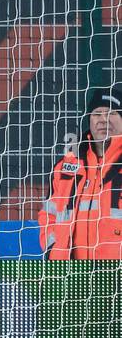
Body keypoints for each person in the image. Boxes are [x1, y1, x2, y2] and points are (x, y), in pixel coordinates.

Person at [38, 86, 122, 259]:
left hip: (116, 273)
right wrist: (53, 248)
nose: (103, 119)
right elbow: (48, 214)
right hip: (70, 273)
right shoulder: (65, 167)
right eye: (97, 113)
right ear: (89, 120)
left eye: (111, 113)